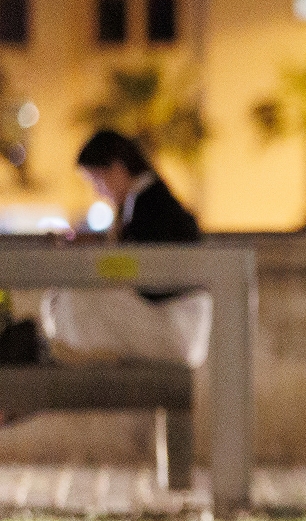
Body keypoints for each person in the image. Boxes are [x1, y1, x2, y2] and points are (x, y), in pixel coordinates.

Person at [40, 129, 211, 368]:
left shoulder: (149, 205)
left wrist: (97, 255)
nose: (98, 191)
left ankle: (78, 361)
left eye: (97, 180)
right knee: (71, 294)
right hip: (179, 323)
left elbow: (146, 278)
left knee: (73, 295)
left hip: (175, 326)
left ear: (117, 168)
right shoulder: (147, 200)